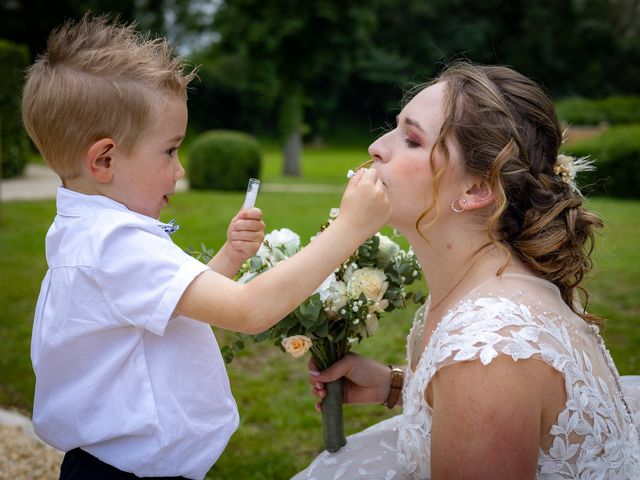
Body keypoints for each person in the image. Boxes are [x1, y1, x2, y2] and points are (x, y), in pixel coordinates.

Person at [22, 14, 390, 480]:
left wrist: (230, 258)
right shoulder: (113, 242)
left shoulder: (92, 230)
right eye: (170, 150)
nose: (179, 170)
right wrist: (350, 230)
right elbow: (249, 311)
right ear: (105, 159)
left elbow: (176, 305)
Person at [293, 62, 640, 479]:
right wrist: (398, 385)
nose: (377, 148)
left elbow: (490, 385)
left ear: (476, 190)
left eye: (411, 139)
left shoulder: (488, 350)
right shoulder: (484, 287)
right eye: (395, 127)